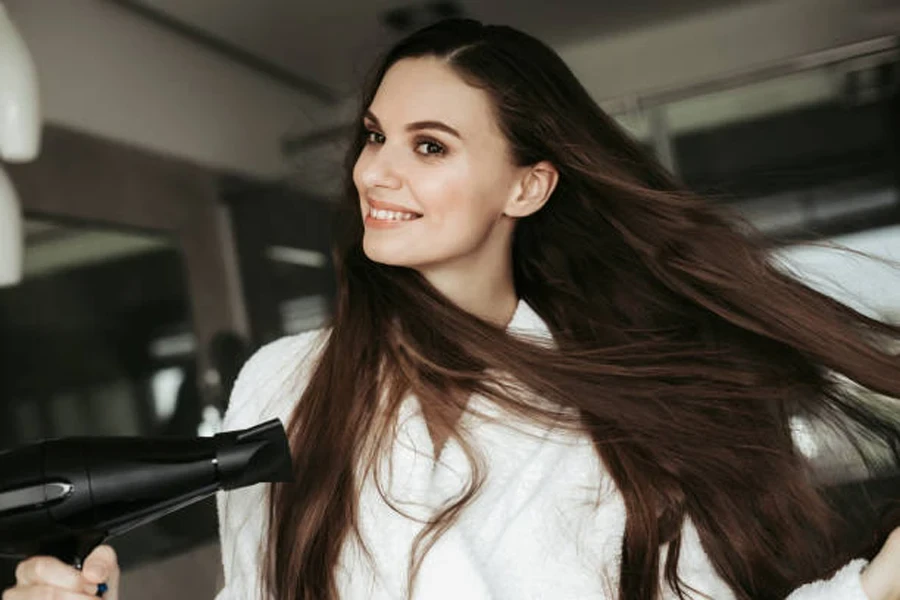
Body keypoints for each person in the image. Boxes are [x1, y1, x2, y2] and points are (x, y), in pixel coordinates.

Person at [6, 17, 900, 600]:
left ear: (529, 184)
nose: (374, 173)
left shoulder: (620, 407)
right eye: (374, 136)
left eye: (428, 145)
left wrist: (876, 589)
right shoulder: (283, 382)